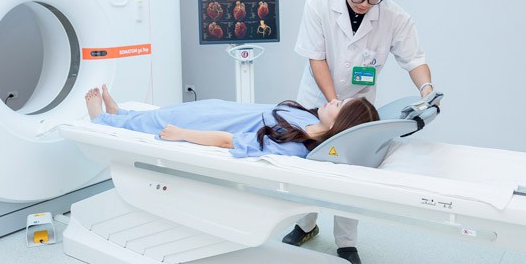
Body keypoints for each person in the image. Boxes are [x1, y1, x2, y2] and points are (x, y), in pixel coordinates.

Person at [287, 0, 434, 264]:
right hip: (317, 99)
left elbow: (415, 59)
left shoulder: (395, 17)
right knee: (309, 163)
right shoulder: (318, 4)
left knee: (352, 170)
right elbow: (316, 58)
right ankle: (306, 224)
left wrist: (427, 90)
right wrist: (333, 103)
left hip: (358, 107)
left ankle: (346, 242)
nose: (365, 4)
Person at [85, 84, 379, 158]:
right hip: (219, 110)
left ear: (341, 124)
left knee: (161, 121)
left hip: (211, 125)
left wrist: (181, 134)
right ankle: (120, 113)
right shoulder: (308, 118)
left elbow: (230, 141)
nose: (334, 100)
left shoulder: (293, 146)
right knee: (160, 113)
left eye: (341, 105)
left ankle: (101, 119)